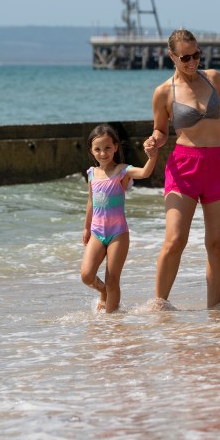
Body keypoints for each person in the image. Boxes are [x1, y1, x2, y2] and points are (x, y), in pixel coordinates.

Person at [142, 29, 220, 309]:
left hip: (218, 165)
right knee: (175, 240)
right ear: (172, 57)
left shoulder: (212, 78)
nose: (192, 62)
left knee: (217, 245)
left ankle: (215, 312)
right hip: (184, 166)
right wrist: (154, 141)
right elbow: (161, 130)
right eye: (185, 57)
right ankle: (159, 306)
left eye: (197, 55)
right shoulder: (164, 92)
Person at [80, 124, 158, 312]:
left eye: (107, 148)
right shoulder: (92, 173)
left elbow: (145, 172)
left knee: (113, 279)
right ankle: (103, 292)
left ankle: (112, 323)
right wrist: (86, 227)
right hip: (97, 232)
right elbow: (91, 201)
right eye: (97, 149)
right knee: (87, 275)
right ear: (91, 151)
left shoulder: (122, 171)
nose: (103, 153)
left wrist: (152, 156)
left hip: (118, 234)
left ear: (115, 147)